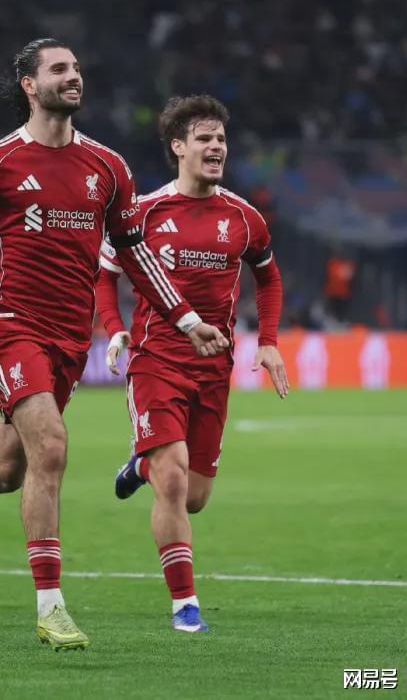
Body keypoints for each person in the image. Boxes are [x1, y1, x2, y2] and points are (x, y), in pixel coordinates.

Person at [0, 39, 227, 650]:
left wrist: (187, 318)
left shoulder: (107, 168)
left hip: (69, 339)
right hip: (8, 325)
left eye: (77, 68)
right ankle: (51, 606)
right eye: (59, 69)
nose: (74, 76)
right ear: (30, 86)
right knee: (53, 446)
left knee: (6, 470)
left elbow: (136, 255)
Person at [97, 94, 288, 633]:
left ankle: (140, 467)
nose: (216, 147)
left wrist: (268, 340)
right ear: (178, 147)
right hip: (156, 361)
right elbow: (106, 273)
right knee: (174, 478)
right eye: (205, 138)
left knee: (195, 497)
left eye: (221, 139)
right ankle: (185, 605)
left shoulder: (244, 217)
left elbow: (269, 277)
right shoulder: (145, 212)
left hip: (214, 369)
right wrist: (114, 328)